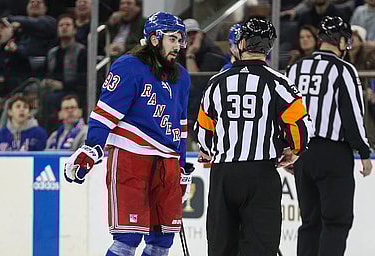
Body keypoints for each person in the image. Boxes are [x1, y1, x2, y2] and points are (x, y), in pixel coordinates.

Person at [63, 11, 194, 256]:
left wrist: (182, 167)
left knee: (162, 243)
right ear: (154, 39)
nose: (178, 46)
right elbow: (105, 114)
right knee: (127, 240)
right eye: (172, 39)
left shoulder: (182, 77)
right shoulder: (128, 66)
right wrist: (92, 149)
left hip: (167, 164)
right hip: (131, 158)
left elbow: (181, 126)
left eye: (180, 40)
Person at [193, 17, 311, 256]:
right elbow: (300, 124)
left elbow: (203, 132)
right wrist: (294, 151)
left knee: (221, 246)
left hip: (224, 175)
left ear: (242, 43)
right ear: (269, 48)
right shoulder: (279, 82)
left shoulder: (216, 82)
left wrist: (210, 150)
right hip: (261, 174)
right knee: (259, 247)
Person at [286, 16, 373, 256]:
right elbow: (352, 113)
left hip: (302, 153)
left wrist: (289, 149)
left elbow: (283, 112)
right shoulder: (344, 69)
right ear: (342, 41)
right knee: (336, 222)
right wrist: (364, 152)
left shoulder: (295, 68)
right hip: (333, 154)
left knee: (310, 223)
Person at [42, 13, 87, 133]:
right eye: (61, 25)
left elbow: (85, 78)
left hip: (74, 91)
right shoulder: (52, 52)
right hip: (53, 91)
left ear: (74, 29)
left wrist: (63, 85)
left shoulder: (81, 51)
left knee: (51, 100)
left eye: (68, 24)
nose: (64, 27)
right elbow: (45, 73)